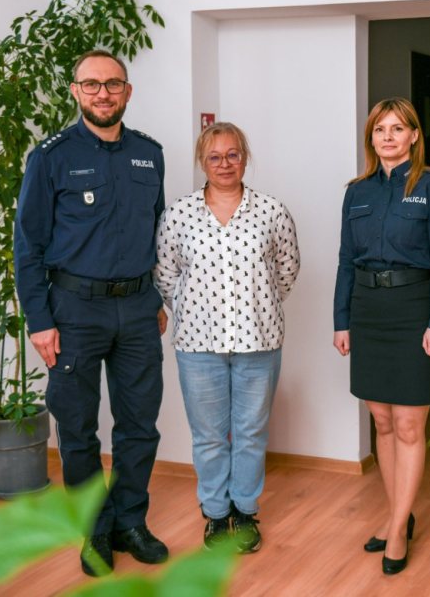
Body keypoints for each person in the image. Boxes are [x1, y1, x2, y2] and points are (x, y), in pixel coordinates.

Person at [14, 50, 169, 576]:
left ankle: (130, 522)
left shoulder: (150, 154)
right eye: (92, 84)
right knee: (78, 427)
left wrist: (157, 298)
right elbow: (28, 246)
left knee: (140, 424)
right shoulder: (50, 157)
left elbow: (157, 234)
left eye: (113, 84)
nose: (103, 93)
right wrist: (39, 320)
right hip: (73, 311)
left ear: (128, 91)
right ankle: (95, 530)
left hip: (138, 309)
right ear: (76, 91)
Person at [155, 122, 300, 553]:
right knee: (209, 436)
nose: (224, 164)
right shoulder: (178, 215)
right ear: (202, 162)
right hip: (198, 345)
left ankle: (246, 510)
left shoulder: (271, 211)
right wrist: (196, 309)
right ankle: (217, 514)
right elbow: (165, 275)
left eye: (232, 155)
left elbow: (287, 269)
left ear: (245, 158)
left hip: (259, 340)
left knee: (251, 432)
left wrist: (257, 303)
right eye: (214, 157)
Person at [332, 98, 430, 575]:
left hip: (414, 310)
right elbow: (346, 261)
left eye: (397, 128)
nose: (388, 137)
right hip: (368, 311)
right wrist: (342, 320)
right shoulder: (357, 192)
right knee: (382, 422)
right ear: (371, 138)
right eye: (380, 129)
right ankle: (396, 514)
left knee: (408, 426)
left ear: (414, 136)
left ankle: (399, 529)